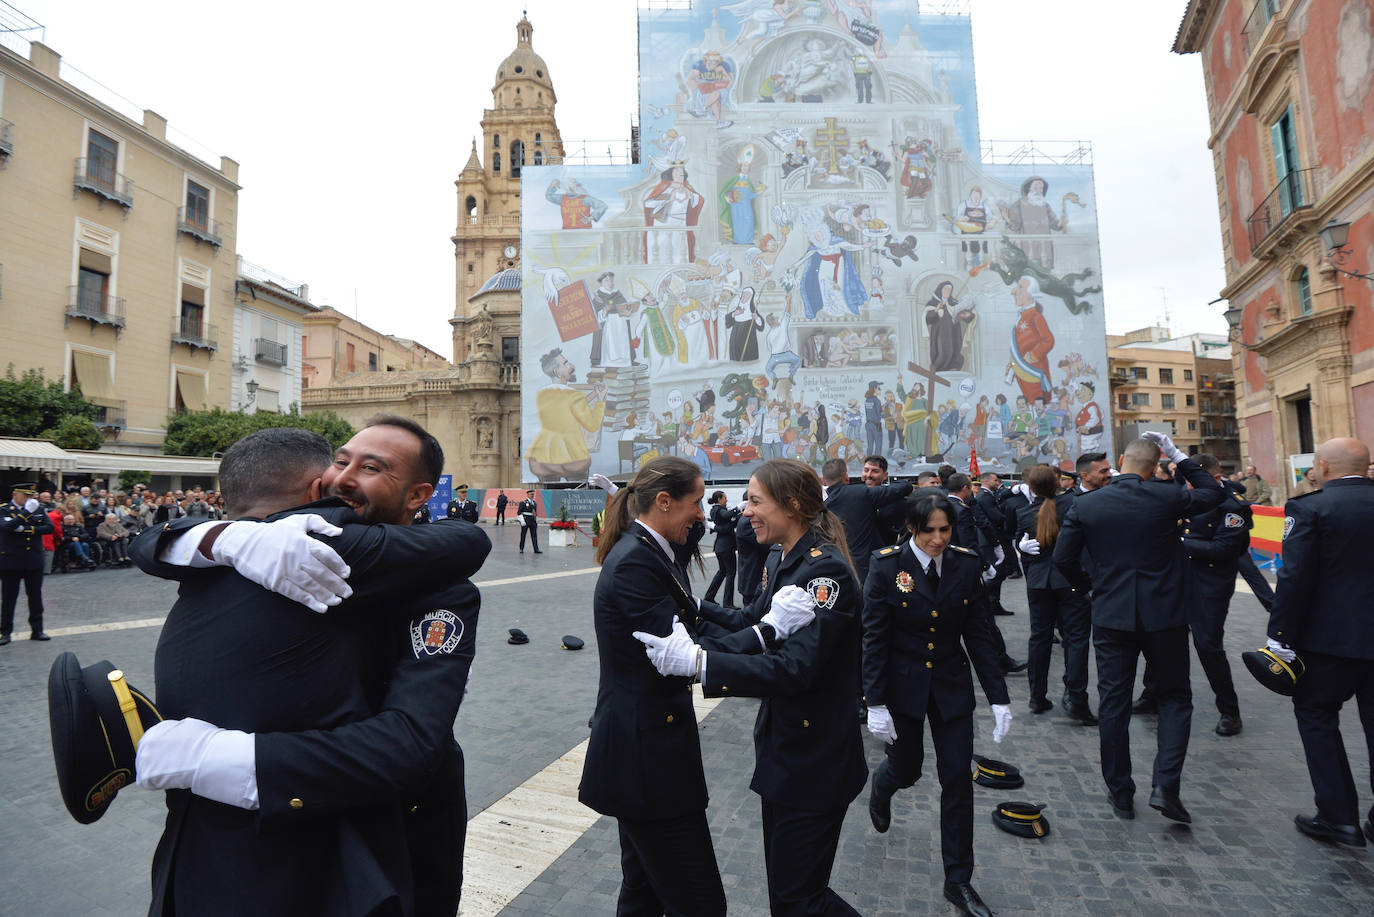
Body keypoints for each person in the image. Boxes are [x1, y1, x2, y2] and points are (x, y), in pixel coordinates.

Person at [130, 421, 489, 916]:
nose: (343, 477)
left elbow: (409, 743)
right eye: (341, 461)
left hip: (359, 851)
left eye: (372, 468)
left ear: (417, 495)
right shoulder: (268, 546)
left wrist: (215, 757)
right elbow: (155, 540)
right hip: (208, 854)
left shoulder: (435, 585)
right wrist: (224, 537)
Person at [635, 458, 868, 916]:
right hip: (787, 754)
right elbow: (751, 619)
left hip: (814, 761)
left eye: (757, 500)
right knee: (790, 895)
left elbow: (792, 669)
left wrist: (702, 665)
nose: (746, 511)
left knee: (798, 899)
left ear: (794, 505)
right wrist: (695, 607)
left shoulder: (825, 573)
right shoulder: (787, 557)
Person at [580, 457, 793, 916]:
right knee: (699, 902)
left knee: (643, 891)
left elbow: (695, 619)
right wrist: (768, 633)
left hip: (648, 751)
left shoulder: (651, 549)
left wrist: (758, 624)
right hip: (646, 763)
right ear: (663, 501)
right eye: (696, 502)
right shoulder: (636, 561)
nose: (702, 514)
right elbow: (682, 656)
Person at [1052, 432, 1225, 823]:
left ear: (1121, 462)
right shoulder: (1167, 496)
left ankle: (1121, 792)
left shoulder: (1089, 503)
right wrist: (1181, 456)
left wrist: (1089, 589)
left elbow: (1064, 560)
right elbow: (1213, 492)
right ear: (1154, 467)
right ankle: (1166, 786)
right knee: (1176, 698)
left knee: (1113, 703)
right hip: (1165, 615)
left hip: (1112, 614)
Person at [864, 492, 1012, 917]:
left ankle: (958, 880)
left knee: (958, 781)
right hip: (902, 688)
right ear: (912, 528)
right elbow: (873, 636)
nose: (937, 539)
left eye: (945, 529)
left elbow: (979, 634)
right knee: (908, 769)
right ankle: (885, 782)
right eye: (928, 530)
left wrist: (998, 698)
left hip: (950, 686)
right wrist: (874, 701)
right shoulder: (887, 565)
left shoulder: (965, 564)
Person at [1263, 437, 1374, 848]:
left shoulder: (1311, 507)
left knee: (1317, 719)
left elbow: (1294, 578)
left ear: (1323, 467)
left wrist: (1279, 636)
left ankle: (1338, 817)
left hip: (1329, 640)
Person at [1014, 465, 1096, 725]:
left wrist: (1020, 545)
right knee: (1076, 639)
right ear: (1058, 482)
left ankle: (1037, 696)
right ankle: (1076, 698)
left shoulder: (1024, 511)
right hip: (1070, 580)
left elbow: (1021, 540)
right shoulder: (1074, 504)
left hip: (1039, 582)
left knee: (1040, 638)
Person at [1177, 453, 1251, 737]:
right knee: (1163, 639)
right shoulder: (1184, 497)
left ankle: (1229, 710)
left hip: (1210, 585)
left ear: (1213, 478)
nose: (1188, 487)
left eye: (1193, 481)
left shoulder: (1233, 506)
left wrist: (1181, 543)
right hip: (1179, 581)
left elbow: (1225, 549)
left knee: (1208, 646)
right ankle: (1153, 693)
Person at [822, 457, 912, 586]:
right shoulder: (859, 493)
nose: (869, 475)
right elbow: (905, 486)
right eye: (866, 470)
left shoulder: (896, 503)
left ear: (885, 475)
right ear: (847, 477)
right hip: (862, 569)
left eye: (874, 471)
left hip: (882, 564)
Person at [0, 485, 54, 644]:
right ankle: (5, 632)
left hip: (33, 559)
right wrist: (25, 513)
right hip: (11, 560)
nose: (30, 499)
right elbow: (5, 527)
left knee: (35, 597)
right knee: (9, 599)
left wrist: (25, 529)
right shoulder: (4, 509)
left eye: (31, 496)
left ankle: (37, 630)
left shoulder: (39, 508)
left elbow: (48, 528)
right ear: (15, 494)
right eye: (26, 495)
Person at [703, 490, 742, 607]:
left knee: (722, 572)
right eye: (725, 498)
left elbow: (725, 524)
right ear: (719, 500)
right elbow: (726, 520)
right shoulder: (719, 510)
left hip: (720, 547)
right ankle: (728, 603)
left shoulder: (714, 510)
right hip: (726, 547)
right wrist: (738, 510)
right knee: (730, 573)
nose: (727, 500)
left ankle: (709, 597)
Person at [735, 499, 770, 605]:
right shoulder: (747, 522)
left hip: (753, 577)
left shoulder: (747, 520)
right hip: (752, 577)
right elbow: (766, 545)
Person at [517, 489, 541, 553]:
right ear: (527, 495)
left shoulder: (534, 503)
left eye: (533, 494)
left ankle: (536, 549)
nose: (532, 495)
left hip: (532, 521)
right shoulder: (523, 503)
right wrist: (522, 521)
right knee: (523, 535)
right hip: (526, 521)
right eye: (531, 494)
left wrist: (536, 520)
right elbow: (519, 512)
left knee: (534, 536)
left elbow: (535, 513)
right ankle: (521, 548)